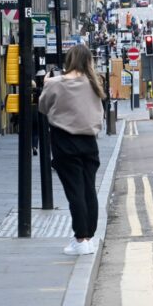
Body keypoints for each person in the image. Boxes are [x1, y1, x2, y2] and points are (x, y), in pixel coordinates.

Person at [39, 44, 105, 256]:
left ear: (70, 60)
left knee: (74, 191)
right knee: (88, 189)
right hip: (89, 142)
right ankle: (89, 238)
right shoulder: (95, 83)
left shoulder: (56, 83)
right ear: (88, 62)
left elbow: (42, 106)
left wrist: (45, 85)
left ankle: (80, 238)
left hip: (64, 141)